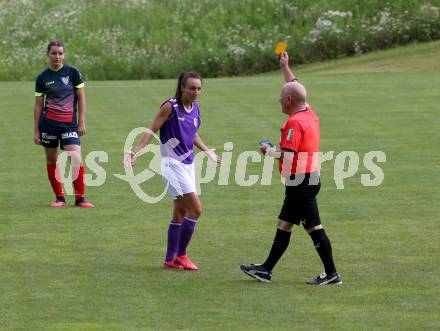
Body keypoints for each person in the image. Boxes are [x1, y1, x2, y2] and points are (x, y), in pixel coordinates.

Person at [240, 52, 342, 285]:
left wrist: (268, 151)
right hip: (306, 178)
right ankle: (265, 269)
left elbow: (287, 154)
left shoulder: (294, 123)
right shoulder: (309, 112)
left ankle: (332, 274)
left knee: (314, 227)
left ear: (288, 100)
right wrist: (285, 66)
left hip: (301, 182)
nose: (279, 100)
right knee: (284, 224)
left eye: (281, 97)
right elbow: (296, 87)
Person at [125, 72, 221, 270]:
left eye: (199, 88)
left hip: (188, 165)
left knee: (180, 213)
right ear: (182, 88)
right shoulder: (170, 107)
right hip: (172, 165)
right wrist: (134, 151)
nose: (196, 92)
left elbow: (193, 133)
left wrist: (207, 150)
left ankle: (170, 259)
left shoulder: (195, 108)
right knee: (196, 210)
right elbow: (152, 130)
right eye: (192, 88)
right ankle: (182, 255)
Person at [34, 40, 94, 208]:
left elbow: (81, 98)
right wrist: (36, 130)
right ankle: (59, 197)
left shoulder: (73, 73)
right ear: (48, 55)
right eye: (54, 53)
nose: (57, 56)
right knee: (52, 160)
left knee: (75, 158)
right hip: (48, 124)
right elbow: (38, 105)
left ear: (64, 55)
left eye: (60, 53)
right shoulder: (42, 78)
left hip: (69, 124)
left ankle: (80, 198)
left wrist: (81, 121)